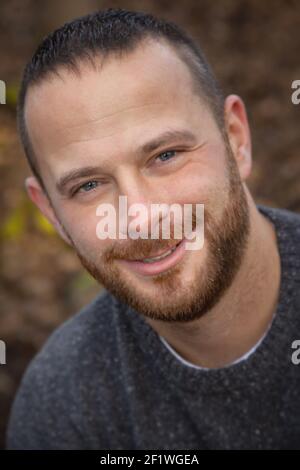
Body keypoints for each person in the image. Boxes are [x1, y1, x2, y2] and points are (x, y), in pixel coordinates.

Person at [7, 8, 300, 449]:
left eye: (165, 156)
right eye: (89, 185)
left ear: (236, 139)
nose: (140, 217)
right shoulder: (63, 403)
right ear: (51, 213)